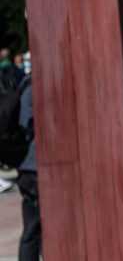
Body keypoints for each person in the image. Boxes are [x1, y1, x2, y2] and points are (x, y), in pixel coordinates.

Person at [16, 75, 40, 261]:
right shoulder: (36, 89)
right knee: (40, 228)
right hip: (37, 167)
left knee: (31, 229)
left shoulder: (24, 87)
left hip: (26, 167)